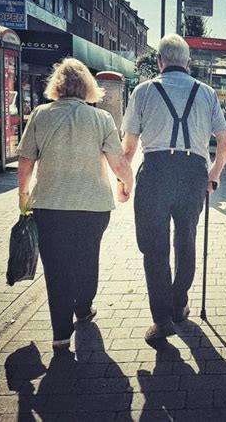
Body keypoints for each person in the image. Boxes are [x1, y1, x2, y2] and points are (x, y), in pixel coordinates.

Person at [17, 58, 133, 352]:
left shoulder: (40, 115)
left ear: (57, 85)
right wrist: (126, 184)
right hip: (92, 207)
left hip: (49, 206)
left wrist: (23, 195)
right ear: (88, 87)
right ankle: (83, 308)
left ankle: (60, 335)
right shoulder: (101, 119)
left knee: (55, 270)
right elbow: (118, 162)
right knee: (86, 259)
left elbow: (26, 160)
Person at [121, 34, 226, 342]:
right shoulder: (206, 93)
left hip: (155, 172)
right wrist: (213, 174)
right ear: (188, 63)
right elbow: (225, 143)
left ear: (159, 62)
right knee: (186, 240)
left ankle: (162, 319)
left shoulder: (143, 91)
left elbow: (129, 146)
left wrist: (124, 181)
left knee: (154, 249)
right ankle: (179, 302)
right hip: (193, 171)